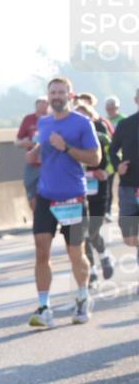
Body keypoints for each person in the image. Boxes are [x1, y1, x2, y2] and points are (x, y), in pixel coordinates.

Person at [26, 77, 101, 327]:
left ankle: (82, 297)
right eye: (52, 92)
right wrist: (35, 152)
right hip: (46, 195)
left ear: (70, 95)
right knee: (41, 251)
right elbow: (43, 147)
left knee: (75, 253)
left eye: (61, 92)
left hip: (73, 197)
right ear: (48, 97)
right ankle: (44, 307)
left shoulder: (83, 123)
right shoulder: (44, 122)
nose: (56, 96)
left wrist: (67, 147)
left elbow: (95, 157)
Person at [73, 101, 116, 285]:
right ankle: (92, 271)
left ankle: (104, 255)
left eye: (85, 116)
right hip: (79, 188)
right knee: (82, 232)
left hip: (98, 187)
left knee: (93, 230)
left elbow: (115, 158)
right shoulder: (70, 139)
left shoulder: (102, 136)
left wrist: (105, 171)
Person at [108, 87, 139, 273]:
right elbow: (112, 150)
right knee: (130, 238)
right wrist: (118, 165)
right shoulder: (126, 124)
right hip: (129, 185)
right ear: (136, 100)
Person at [15, 97, 49, 210]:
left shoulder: (54, 119)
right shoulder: (28, 119)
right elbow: (18, 141)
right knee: (32, 194)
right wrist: (24, 143)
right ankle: (37, 220)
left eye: (45, 103)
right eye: (40, 103)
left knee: (49, 194)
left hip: (50, 163)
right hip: (33, 163)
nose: (43, 106)